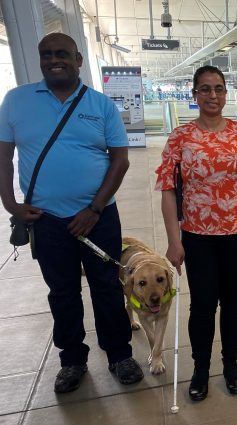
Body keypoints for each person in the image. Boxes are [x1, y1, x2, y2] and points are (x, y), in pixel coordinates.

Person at [0, 33, 143, 393]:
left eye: (61, 53)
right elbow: (2, 157)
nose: (53, 60)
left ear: (78, 59)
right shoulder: (16, 101)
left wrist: (95, 208)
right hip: (45, 221)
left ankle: (119, 354)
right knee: (62, 292)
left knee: (107, 287)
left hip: (99, 218)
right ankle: (72, 360)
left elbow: (120, 160)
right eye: (46, 54)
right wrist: (11, 204)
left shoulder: (100, 105)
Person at [155, 65, 237, 401]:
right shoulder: (181, 137)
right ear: (194, 94)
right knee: (203, 304)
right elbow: (166, 189)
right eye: (204, 89)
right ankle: (201, 368)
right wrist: (174, 241)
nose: (212, 95)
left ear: (225, 93)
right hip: (197, 233)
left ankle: (230, 363)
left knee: (233, 300)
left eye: (218, 88)